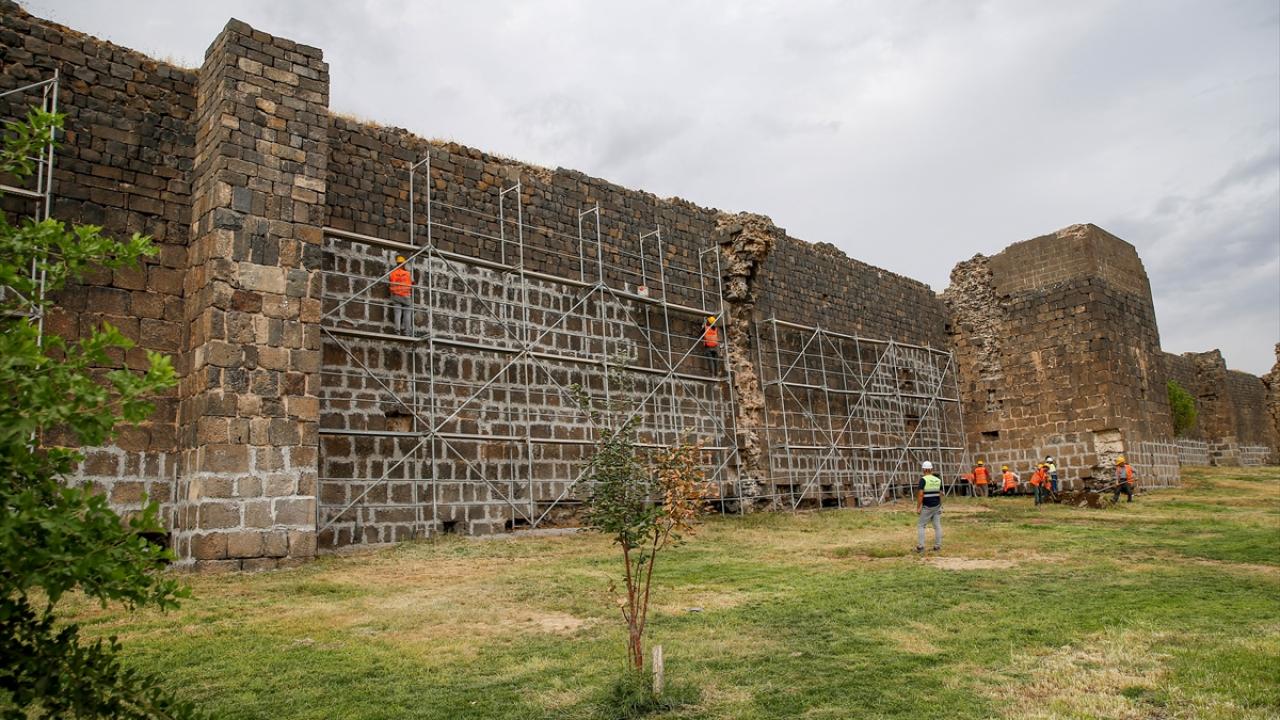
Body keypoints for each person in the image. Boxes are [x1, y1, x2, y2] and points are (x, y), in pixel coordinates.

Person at [915, 460, 943, 553]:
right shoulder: (938, 480)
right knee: (937, 526)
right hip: (937, 506)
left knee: (921, 526)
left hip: (927, 506)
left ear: (924, 469)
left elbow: (920, 495)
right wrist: (940, 505)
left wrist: (918, 507)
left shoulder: (923, 480)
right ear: (931, 469)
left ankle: (921, 547)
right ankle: (938, 546)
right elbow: (940, 494)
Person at [388, 255, 413, 335]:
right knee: (407, 314)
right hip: (406, 296)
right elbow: (413, 282)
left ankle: (397, 331)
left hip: (396, 295)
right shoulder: (407, 273)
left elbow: (390, 281)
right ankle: (407, 332)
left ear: (397, 263)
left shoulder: (392, 273)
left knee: (397, 314)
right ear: (403, 263)